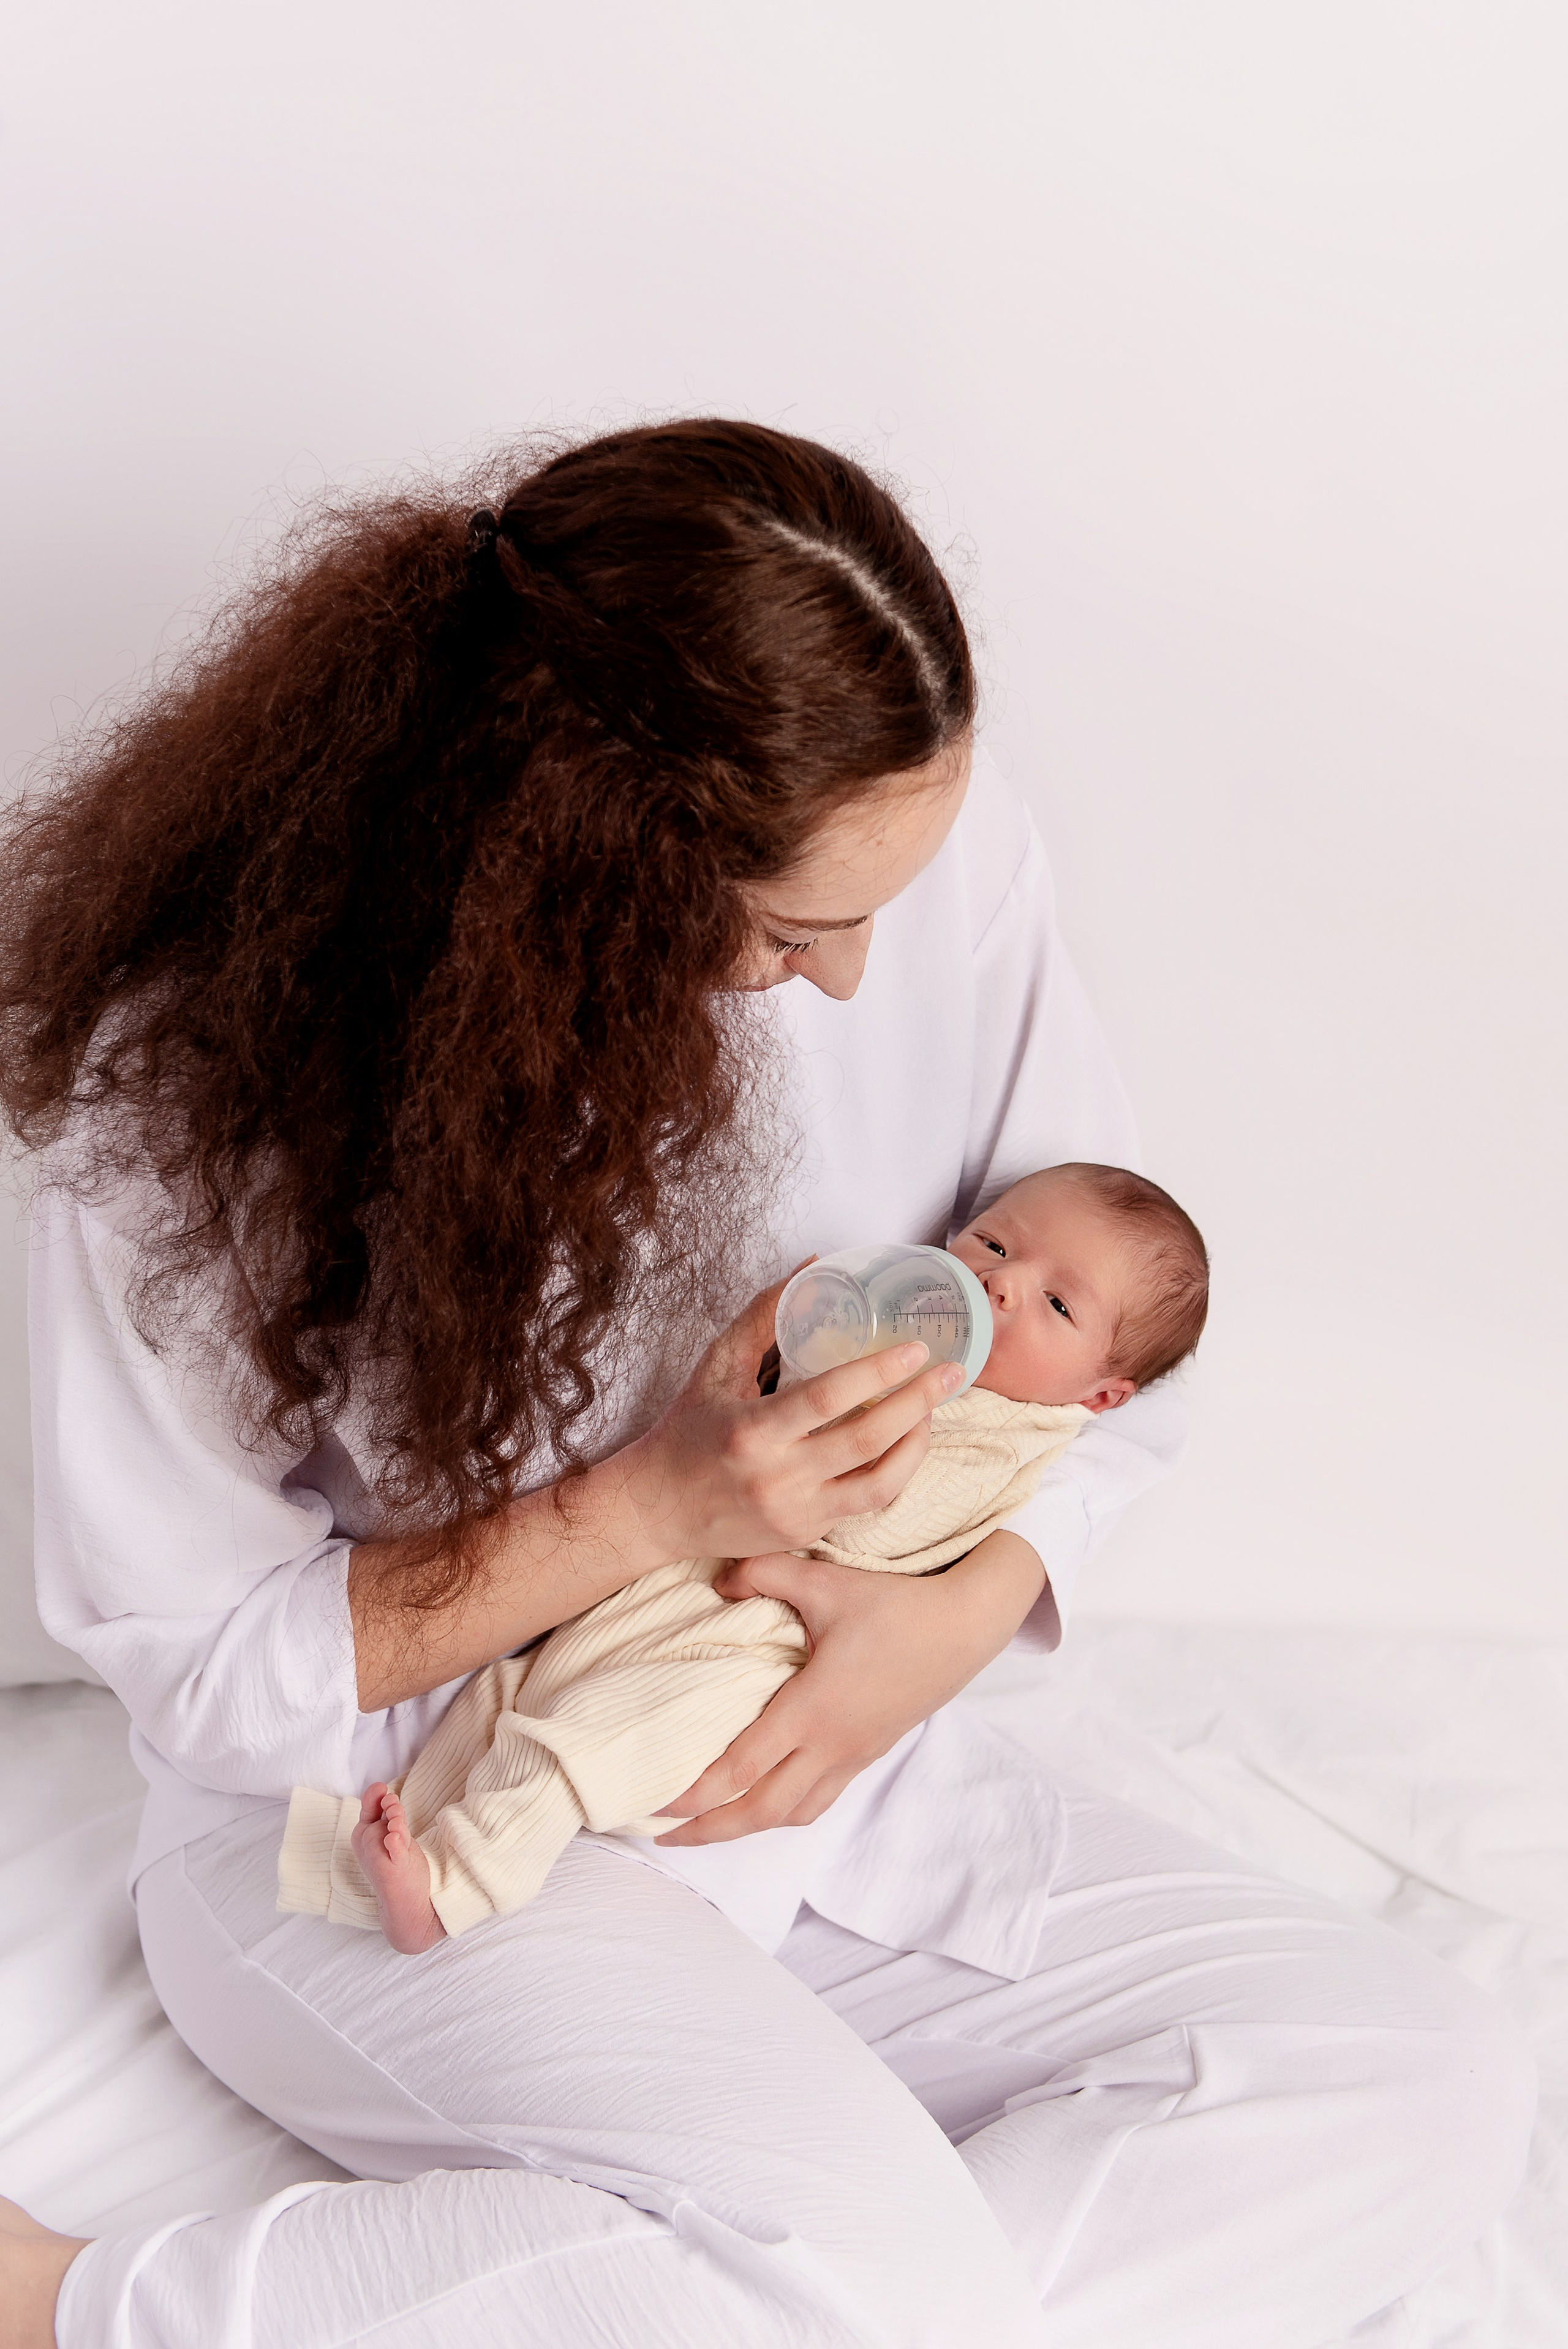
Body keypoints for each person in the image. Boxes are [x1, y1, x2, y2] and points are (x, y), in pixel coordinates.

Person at [0, 421, 1534, 2349]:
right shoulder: (197, 1094)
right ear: (564, 870)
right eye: (794, 930)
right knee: (878, 2284)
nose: (851, 979)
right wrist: (648, 1507)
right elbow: (212, 1669)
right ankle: (62, 2301)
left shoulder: (916, 853)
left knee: (1423, 2082)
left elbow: (1120, 1330)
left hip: (834, 1766)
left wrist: (953, 1615)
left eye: (889, 897)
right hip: (409, 1820)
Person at [295, 1161, 1210, 1953]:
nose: (1002, 1286)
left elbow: (861, 1533)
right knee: (508, 1694)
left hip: (750, 1654)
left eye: (1056, 1303)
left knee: (578, 1743)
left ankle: (450, 1900)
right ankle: (364, 1863)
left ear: (1100, 1395)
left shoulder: (1004, 1432)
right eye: (995, 1245)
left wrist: (873, 1413)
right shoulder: (918, 1352)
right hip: (682, 1588)